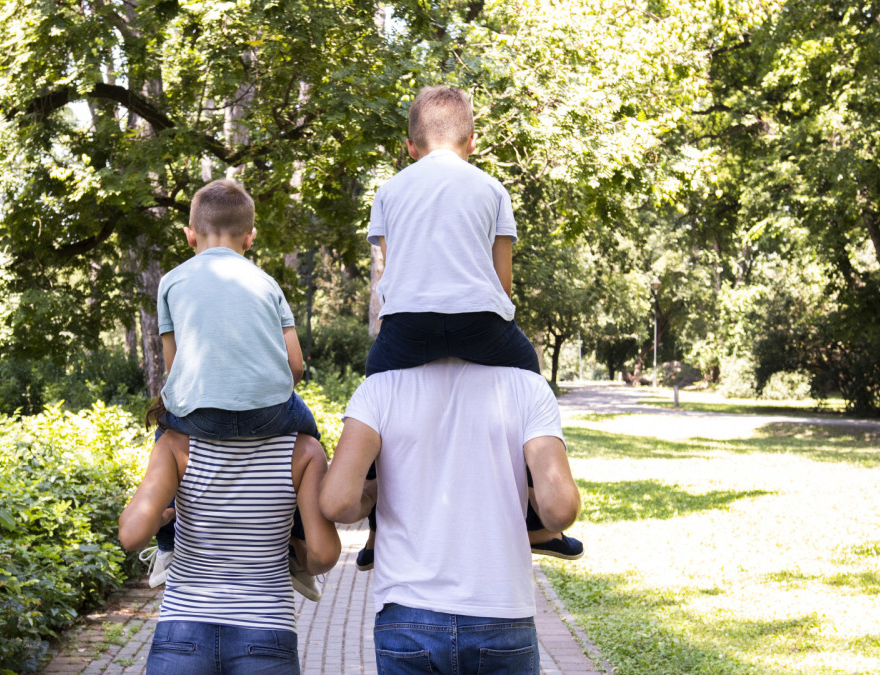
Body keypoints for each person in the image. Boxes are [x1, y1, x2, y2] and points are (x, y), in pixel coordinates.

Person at [357, 84, 582, 566]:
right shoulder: (491, 188)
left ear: (410, 147)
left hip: (407, 323)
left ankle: (375, 533)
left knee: (377, 386)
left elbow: (392, 270)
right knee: (527, 370)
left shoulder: (389, 191)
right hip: (479, 319)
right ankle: (537, 523)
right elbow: (502, 281)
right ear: (472, 141)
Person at [320, 358, 581, 672]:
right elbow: (561, 509)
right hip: (501, 611)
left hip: (409, 614)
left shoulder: (379, 387)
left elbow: (337, 504)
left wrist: (372, 496)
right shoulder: (527, 386)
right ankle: (541, 535)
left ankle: (373, 543)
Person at [143, 178, 322, 598]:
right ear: (250, 237)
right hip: (271, 414)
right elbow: (295, 365)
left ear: (190, 236)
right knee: (309, 435)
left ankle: (167, 547)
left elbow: (175, 368)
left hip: (198, 416)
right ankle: (298, 550)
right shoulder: (267, 283)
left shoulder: (171, 282)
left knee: (161, 435)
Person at [120, 429, 340, 674]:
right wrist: (295, 543)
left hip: (183, 627)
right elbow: (323, 556)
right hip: (267, 627)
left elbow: (131, 536)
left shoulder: (174, 443)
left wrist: (161, 520)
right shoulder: (305, 449)